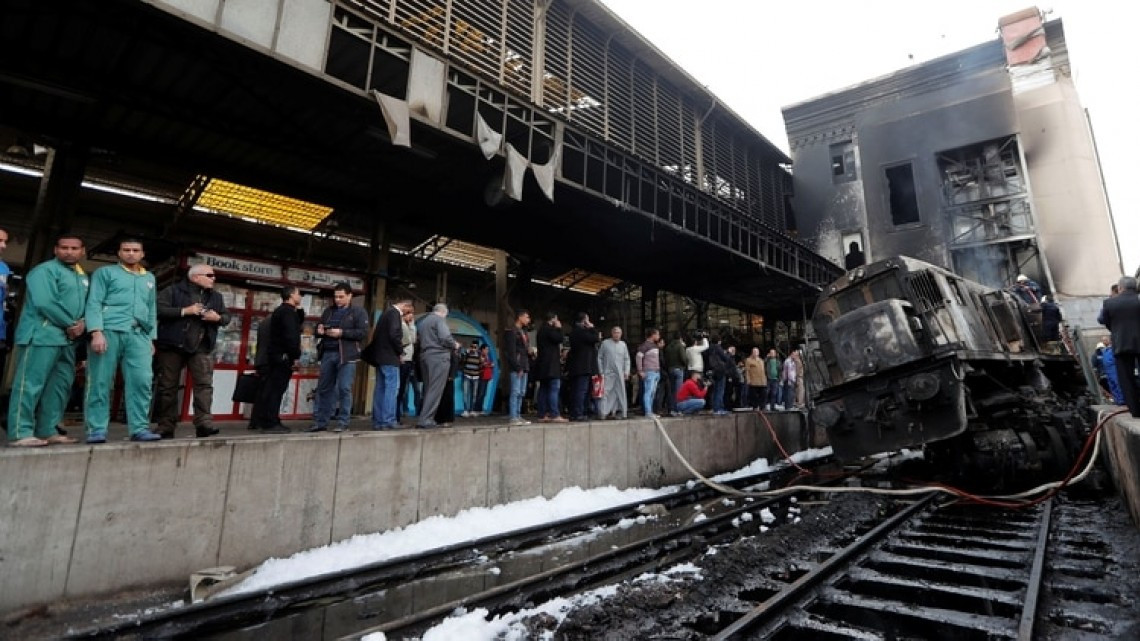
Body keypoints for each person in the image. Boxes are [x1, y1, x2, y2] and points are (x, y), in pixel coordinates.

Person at [6, 234, 88, 447]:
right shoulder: (44, 271)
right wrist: (71, 324)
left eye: (74, 248)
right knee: (30, 383)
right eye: (64, 247)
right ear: (55, 249)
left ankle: (47, 430)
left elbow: (87, 305)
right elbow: (46, 302)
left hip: (67, 340)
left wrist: (84, 323)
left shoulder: (81, 276)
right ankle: (20, 431)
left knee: (59, 387)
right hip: (42, 335)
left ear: (83, 251)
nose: (69, 252)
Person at [84, 238, 160, 443]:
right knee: (100, 380)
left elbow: (151, 309)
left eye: (136, 250)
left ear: (142, 254)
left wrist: (151, 338)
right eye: (126, 250)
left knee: (142, 381)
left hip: (139, 334)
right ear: (119, 253)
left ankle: (139, 428)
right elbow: (94, 302)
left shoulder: (150, 278)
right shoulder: (105, 273)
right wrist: (96, 331)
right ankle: (96, 429)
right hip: (109, 330)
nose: (131, 254)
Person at [152, 263, 231, 439]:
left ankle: (204, 424)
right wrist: (185, 311)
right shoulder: (173, 291)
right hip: (172, 345)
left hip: (201, 347)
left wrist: (217, 317)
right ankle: (166, 425)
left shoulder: (216, 297)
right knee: (168, 387)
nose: (214, 278)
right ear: (195, 277)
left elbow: (226, 317)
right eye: (209, 275)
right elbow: (157, 310)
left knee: (204, 385)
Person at [308, 283, 369, 433]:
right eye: (336, 297)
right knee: (323, 388)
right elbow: (317, 328)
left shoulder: (358, 312)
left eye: (341, 297)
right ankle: (320, 422)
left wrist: (342, 333)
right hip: (328, 353)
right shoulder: (328, 311)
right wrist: (320, 330)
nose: (338, 300)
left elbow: (362, 333)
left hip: (347, 355)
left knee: (344, 388)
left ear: (350, 296)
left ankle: (343, 422)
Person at [250, 285, 303, 433]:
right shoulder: (288, 313)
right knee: (276, 390)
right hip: (282, 358)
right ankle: (270, 421)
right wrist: (295, 356)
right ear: (292, 295)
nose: (300, 297)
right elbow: (291, 337)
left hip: (275, 357)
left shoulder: (280, 312)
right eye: (299, 294)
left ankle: (268, 419)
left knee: (272, 389)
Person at [1097, 276, 1140, 417]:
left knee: (1126, 378)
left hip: (1121, 343)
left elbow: (1103, 320)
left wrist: (1116, 330)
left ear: (1120, 288)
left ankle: (1135, 410)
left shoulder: (1109, 303)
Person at [366, 298, 410, 430]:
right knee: (391, 389)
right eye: (408, 311)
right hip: (390, 358)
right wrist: (400, 352)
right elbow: (394, 334)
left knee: (380, 389)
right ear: (404, 305)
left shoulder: (385, 314)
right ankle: (388, 420)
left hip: (380, 357)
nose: (407, 314)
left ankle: (378, 421)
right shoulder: (395, 313)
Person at [416, 303, 460, 428]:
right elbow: (445, 337)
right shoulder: (439, 320)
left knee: (428, 389)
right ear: (443, 312)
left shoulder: (423, 322)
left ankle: (423, 418)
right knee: (435, 390)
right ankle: (426, 420)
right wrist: (455, 344)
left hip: (425, 356)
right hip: (438, 357)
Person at [534, 312, 567, 423]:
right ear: (552, 320)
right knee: (554, 388)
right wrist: (559, 328)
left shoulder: (541, 330)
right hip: (551, 365)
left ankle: (541, 414)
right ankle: (554, 413)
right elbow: (560, 338)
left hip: (542, 365)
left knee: (543, 389)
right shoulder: (550, 330)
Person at [566, 312, 599, 421]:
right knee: (582, 390)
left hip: (578, 366)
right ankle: (579, 413)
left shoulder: (574, 332)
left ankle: (577, 412)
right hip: (583, 366)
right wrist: (592, 328)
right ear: (584, 321)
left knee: (577, 390)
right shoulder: (581, 332)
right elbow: (595, 338)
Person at [503, 308, 532, 425]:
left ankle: (518, 415)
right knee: (515, 391)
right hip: (517, 366)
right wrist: (517, 367)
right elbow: (511, 352)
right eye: (527, 317)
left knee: (522, 392)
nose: (528, 320)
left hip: (525, 364)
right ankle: (513, 416)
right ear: (520, 317)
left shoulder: (524, 332)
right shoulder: (511, 331)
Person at [597, 325, 630, 419]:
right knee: (606, 392)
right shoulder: (605, 343)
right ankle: (604, 412)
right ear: (612, 333)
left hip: (620, 373)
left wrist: (626, 371)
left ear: (621, 334)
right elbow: (600, 357)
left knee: (620, 392)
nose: (617, 335)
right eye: (615, 332)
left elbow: (626, 359)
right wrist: (601, 370)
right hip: (607, 372)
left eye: (619, 333)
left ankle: (621, 412)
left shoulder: (623, 345)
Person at [396, 305, 418, 422]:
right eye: (410, 314)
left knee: (402, 389)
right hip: (403, 359)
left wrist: (412, 325)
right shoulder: (402, 326)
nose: (411, 316)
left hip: (408, 360)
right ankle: (396, 416)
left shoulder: (407, 326)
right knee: (400, 390)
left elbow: (413, 340)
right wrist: (411, 326)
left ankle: (397, 415)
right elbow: (410, 340)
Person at [635, 328, 662, 418]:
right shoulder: (645, 346)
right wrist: (640, 371)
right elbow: (638, 357)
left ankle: (649, 411)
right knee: (648, 392)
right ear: (653, 335)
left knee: (652, 393)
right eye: (657, 334)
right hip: (649, 371)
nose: (659, 336)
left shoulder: (654, 345)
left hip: (655, 372)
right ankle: (648, 412)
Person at [662, 333, 687, 417]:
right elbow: (683, 358)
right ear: (680, 338)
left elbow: (666, 360)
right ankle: (678, 409)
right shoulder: (680, 346)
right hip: (679, 369)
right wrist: (685, 364)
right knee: (679, 390)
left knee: (672, 391)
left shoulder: (668, 347)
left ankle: (672, 409)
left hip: (670, 369)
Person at [460, 340, 482, 417]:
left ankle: (472, 410)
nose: (473, 348)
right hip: (467, 375)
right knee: (466, 393)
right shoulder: (467, 353)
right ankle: (465, 410)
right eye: (472, 346)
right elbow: (462, 362)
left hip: (476, 376)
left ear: (477, 347)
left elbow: (481, 365)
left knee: (474, 394)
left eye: (475, 347)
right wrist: (466, 353)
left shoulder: (479, 355)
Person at [477, 343, 494, 415]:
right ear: (482, 349)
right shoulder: (480, 355)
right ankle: (477, 409)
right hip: (481, 376)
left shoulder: (487, 356)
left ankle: (480, 408)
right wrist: (489, 365)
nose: (487, 351)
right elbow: (482, 364)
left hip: (486, 377)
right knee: (480, 393)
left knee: (483, 393)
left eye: (488, 349)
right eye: (486, 349)